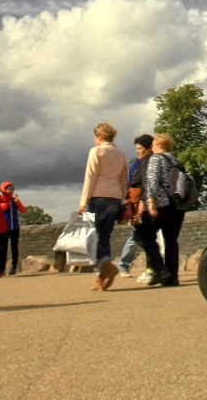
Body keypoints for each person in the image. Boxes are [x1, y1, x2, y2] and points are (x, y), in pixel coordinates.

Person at [78, 122, 128, 291]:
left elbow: (90, 177)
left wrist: (83, 202)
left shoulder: (96, 151)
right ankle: (101, 278)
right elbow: (123, 180)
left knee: (91, 239)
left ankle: (107, 265)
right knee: (104, 237)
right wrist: (122, 199)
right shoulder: (121, 154)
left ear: (99, 136)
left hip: (98, 197)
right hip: (115, 198)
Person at [137, 133, 186, 286]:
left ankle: (161, 270)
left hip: (161, 204)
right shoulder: (175, 160)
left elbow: (152, 180)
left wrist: (150, 201)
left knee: (145, 235)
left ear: (157, 145)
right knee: (171, 240)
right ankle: (173, 276)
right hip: (177, 205)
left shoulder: (155, 159)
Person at [118, 134, 153, 278]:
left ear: (149, 148)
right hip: (139, 206)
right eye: (137, 149)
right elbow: (130, 187)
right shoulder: (136, 165)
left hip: (146, 205)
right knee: (137, 236)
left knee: (136, 237)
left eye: (140, 148)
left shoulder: (152, 162)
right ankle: (125, 265)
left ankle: (124, 265)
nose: (138, 151)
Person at [0, 182, 27, 275]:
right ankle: (2, 268)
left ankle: (13, 267)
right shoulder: (1, 200)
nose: (11, 190)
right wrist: (8, 199)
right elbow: (3, 208)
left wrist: (17, 202)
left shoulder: (15, 201)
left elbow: (23, 210)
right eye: (9, 188)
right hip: (4, 227)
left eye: (12, 188)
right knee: (3, 249)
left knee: (14, 248)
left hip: (14, 227)